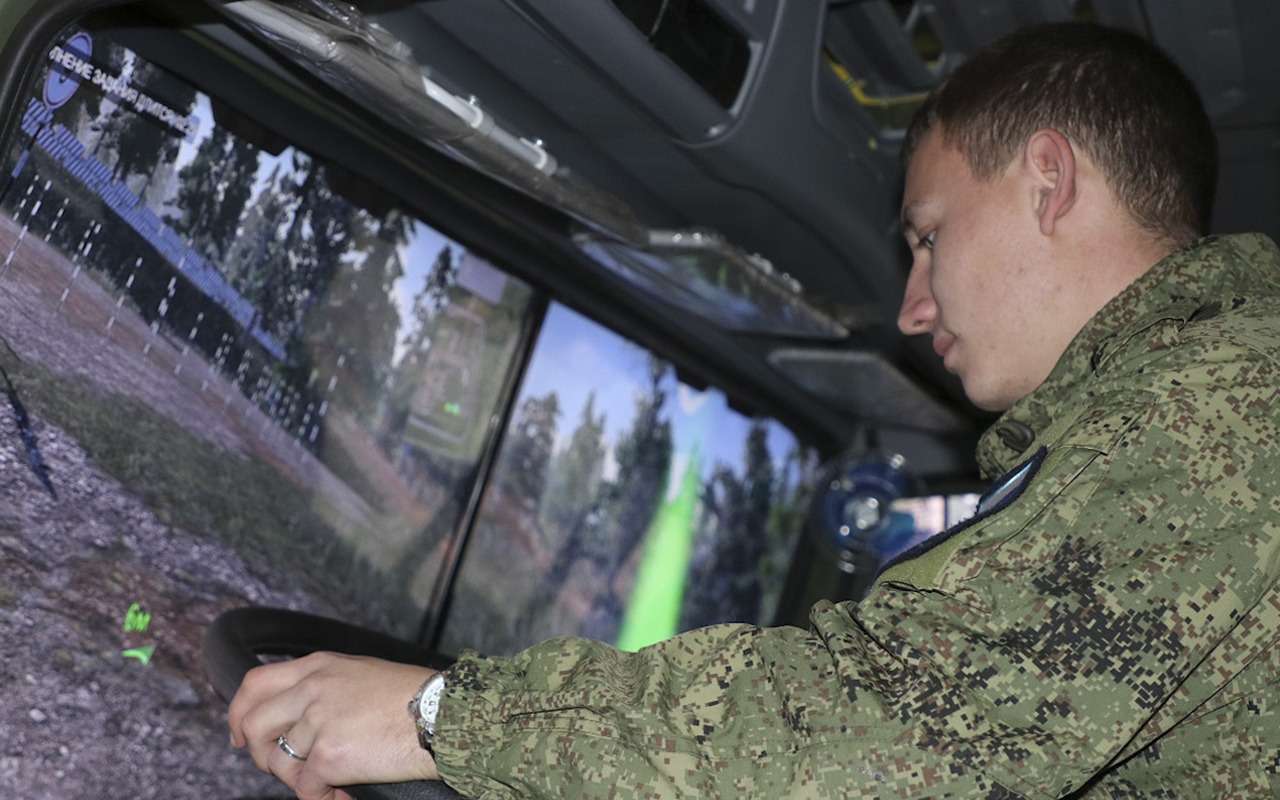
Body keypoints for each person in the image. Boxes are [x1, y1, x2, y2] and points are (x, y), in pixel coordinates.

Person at [227, 21, 1280, 799]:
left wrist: (438, 718)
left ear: (1046, 183)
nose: (912, 309)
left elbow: (896, 722)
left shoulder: (1217, 406)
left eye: (924, 235)